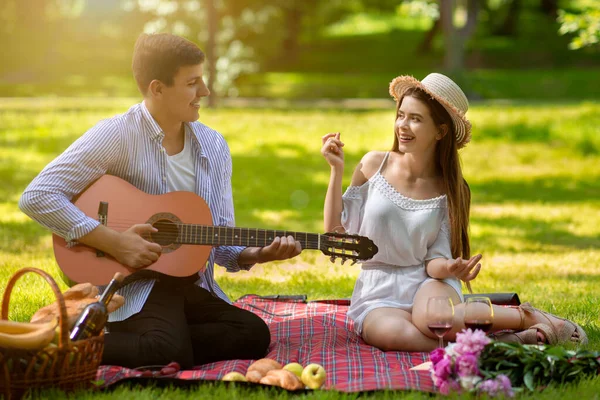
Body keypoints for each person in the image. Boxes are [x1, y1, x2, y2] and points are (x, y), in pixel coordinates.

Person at [19, 33, 302, 369]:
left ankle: (156, 342)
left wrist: (258, 253)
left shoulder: (212, 146)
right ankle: (60, 342)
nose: (206, 92)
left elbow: (219, 237)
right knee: (164, 348)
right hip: (129, 283)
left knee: (253, 334)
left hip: (187, 281)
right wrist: (115, 242)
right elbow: (37, 195)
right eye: (193, 82)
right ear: (157, 88)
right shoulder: (117, 134)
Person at [320, 72, 588, 351]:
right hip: (378, 292)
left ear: (440, 131)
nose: (402, 125)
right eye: (401, 115)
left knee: (437, 319)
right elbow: (335, 235)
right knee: (393, 335)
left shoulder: (450, 190)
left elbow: (433, 263)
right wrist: (336, 170)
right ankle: (506, 343)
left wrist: (450, 267)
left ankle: (528, 316)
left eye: (416, 119)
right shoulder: (373, 165)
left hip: (429, 281)